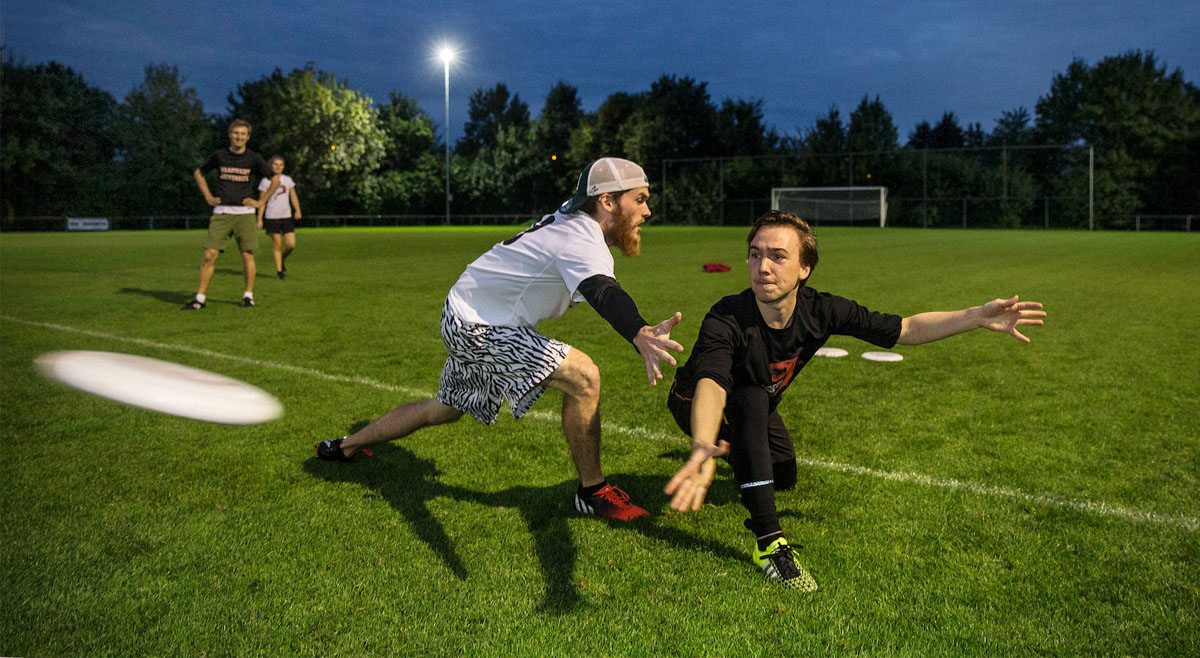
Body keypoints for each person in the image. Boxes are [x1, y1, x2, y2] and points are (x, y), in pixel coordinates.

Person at [663, 210, 1047, 591]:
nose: (763, 266)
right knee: (749, 399)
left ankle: (738, 452)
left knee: (782, 475)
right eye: (755, 254)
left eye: (778, 256)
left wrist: (976, 316)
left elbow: (906, 328)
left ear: (804, 269)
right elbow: (712, 382)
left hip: (761, 402)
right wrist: (701, 441)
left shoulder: (823, 310)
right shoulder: (726, 317)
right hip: (695, 400)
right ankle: (769, 544)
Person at [316, 157, 684, 521]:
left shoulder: (573, 220)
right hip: (479, 327)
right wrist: (639, 332)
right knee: (584, 376)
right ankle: (592, 491)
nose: (647, 210)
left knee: (443, 409)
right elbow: (603, 291)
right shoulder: (581, 239)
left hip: (466, 312)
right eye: (639, 199)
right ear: (607, 201)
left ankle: (345, 447)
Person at [182, 119, 279, 310]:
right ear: (230, 134)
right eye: (236, 133)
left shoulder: (254, 158)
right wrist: (208, 197)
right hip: (222, 212)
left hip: (245, 214)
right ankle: (200, 299)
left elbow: (274, 179)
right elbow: (198, 173)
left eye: (243, 134)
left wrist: (261, 202)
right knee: (209, 254)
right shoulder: (220, 156)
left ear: (248, 137)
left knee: (247, 255)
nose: (239, 137)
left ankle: (248, 296)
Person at [257, 156, 302, 279]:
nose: (278, 167)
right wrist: (260, 219)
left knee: (290, 245)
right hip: (272, 216)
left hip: (286, 216)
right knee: (277, 244)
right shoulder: (265, 181)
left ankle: (281, 259)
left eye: (281, 165)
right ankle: (279, 272)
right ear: (270, 165)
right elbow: (262, 201)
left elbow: (293, 196)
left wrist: (297, 210)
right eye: (276, 164)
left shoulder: (287, 180)